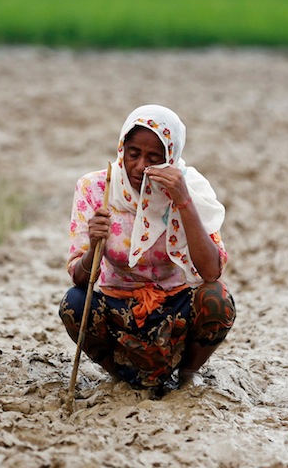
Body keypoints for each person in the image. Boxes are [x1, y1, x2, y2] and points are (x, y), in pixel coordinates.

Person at [59, 104, 236, 397]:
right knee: (73, 304)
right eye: (133, 154)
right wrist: (95, 246)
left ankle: (185, 376)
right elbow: (80, 279)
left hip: (176, 307)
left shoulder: (189, 187)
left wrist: (184, 202)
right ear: (121, 150)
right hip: (117, 309)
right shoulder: (96, 188)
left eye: (154, 158)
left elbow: (211, 271)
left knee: (217, 299)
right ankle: (125, 376)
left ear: (172, 159)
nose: (141, 166)